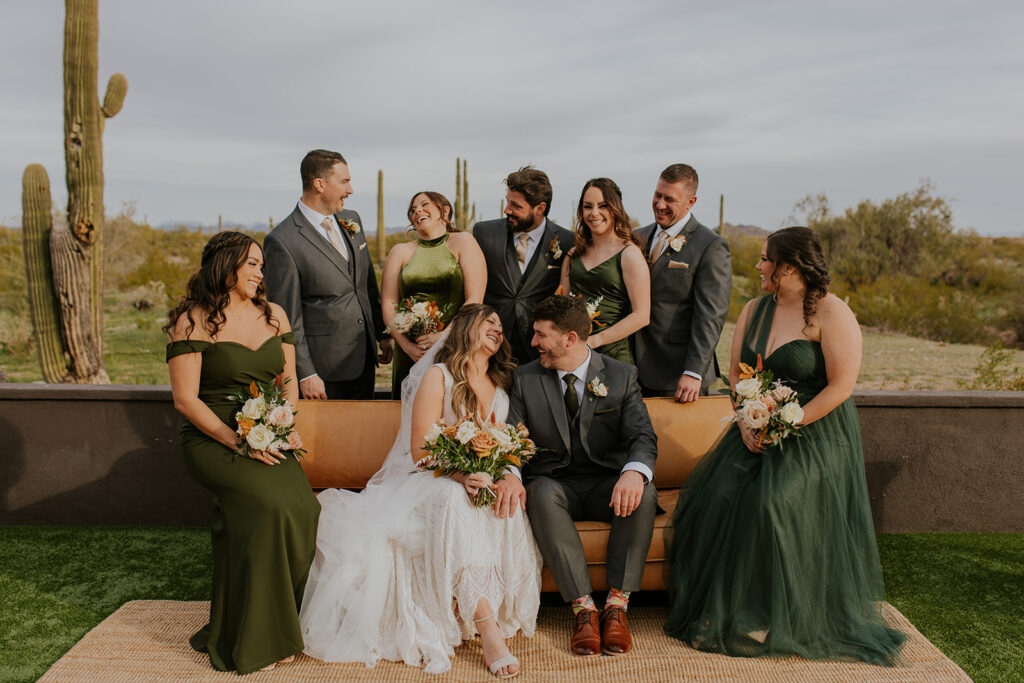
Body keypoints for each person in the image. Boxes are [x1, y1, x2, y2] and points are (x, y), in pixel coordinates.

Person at [664, 226, 906, 665]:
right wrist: (746, 419)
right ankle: (731, 608)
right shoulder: (755, 308)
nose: (757, 266)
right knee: (714, 496)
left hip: (816, 432)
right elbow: (737, 376)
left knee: (773, 503)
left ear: (788, 268)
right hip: (754, 429)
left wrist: (782, 424)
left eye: (763, 259)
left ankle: (785, 612)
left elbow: (841, 387)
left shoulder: (833, 314)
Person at [299, 304, 541, 679]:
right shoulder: (438, 377)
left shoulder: (503, 383)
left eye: (500, 326)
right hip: (431, 479)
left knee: (500, 503)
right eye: (488, 322)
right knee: (453, 502)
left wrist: (507, 476)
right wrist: (461, 475)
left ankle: (476, 609)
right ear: (465, 328)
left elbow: (509, 446)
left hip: (482, 478)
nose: (498, 328)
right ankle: (488, 629)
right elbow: (420, 451)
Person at [164, 231, 320, 674]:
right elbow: (186, 400)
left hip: (267, 435)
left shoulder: (274, 316)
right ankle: (256, 639)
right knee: (266, 508)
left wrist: (282, 425)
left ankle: (271, 623)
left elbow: (287, 383)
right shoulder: (192, 321)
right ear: (226, 265)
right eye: (251, 264)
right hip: (213, 440)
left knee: (303, 511)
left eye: (260, 265)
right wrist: (239, 441)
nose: (259, 272)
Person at [500, 295, 658, 657]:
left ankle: (617, 607)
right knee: (538, 492)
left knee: (644, 491)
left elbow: (642, 437)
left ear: (570, 338)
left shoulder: (621, 375)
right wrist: (509, 473)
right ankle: (584, 610)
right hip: (555, 485)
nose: (534, 342)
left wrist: (634, 473)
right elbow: (511, 436)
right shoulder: (525, 378)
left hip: (607, 484)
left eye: (541, 335)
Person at [263, 149, 392, 400]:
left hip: (364, 358)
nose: (350, 189)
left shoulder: (351, 220)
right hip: (323, 373)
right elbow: (286, 316)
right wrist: (305, 373)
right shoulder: (282, 241)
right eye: (344, 182)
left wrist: (381, 334)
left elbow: (366, 285)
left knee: (361, 437)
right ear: (319, 184)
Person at [633, 164, 731, 401]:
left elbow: (710, 315)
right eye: (657, 195)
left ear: (691, 202)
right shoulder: (636, 237)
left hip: (677, 375)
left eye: (670, 199)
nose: (660, 204)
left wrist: (694, 371)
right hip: (632, 368)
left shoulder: (710, 246)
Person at [381, 191, 486, 397]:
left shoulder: (463, 241)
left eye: (423, 204)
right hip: (411, 353)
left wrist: (444, 336)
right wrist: (407, 347)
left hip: (454, 345)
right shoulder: (400, 251)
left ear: (444, 210)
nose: (417, 210)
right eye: (412, 209)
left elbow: (475, 298)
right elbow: (388, 303)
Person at [473, 166, 574, 363]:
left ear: (540, 208)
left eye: (516, 206)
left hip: (539, 350)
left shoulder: (568, 240)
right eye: (507, 202)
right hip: (491, 348)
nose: (507, 210)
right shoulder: (484, 233)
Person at [561, 178, 650, 364]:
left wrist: (594, 341)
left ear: (615, 208)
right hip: (574, 355)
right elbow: (561, 304)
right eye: (587, 207)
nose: (594, 213)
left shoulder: (629, 253)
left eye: (603, 206)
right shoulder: (573, 255)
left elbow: (642, 315)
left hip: (613, 356)